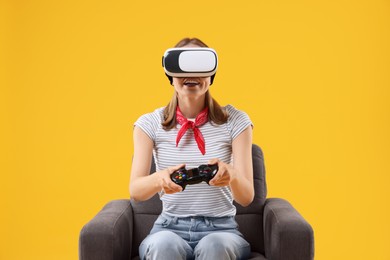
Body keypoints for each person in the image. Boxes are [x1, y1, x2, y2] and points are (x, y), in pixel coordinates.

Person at [129, 37, 254, 260]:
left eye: (200, 66)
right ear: (170, 75)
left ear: (211, 75)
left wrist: (232, 175)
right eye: (183, 67)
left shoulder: (236, 121)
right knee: (163, 246)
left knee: (215, 246)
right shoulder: (148, 124)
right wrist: (160, 179)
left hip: (222, 230)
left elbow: (246, 197)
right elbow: (136, 191)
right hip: (168, 228)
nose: (192, 75)